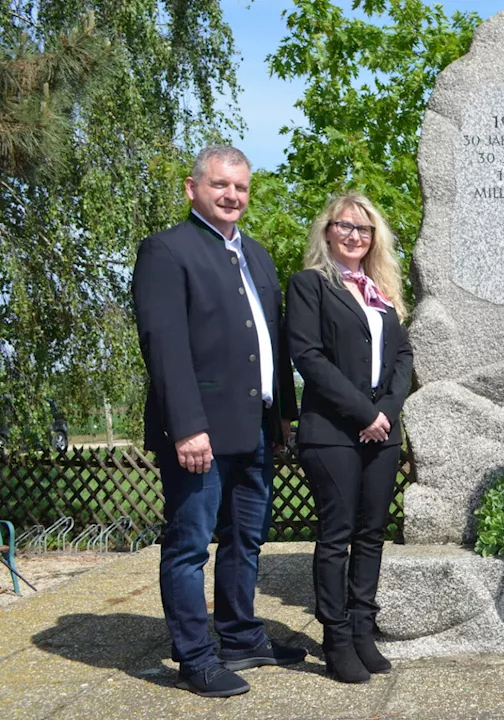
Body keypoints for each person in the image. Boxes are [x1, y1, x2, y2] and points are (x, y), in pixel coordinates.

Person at [132, 145, 305, 698]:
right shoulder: (166, 251)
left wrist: (284, 419)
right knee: (189, 546)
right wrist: (186, 426)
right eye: (220, 185)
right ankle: (195, 657)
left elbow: (270, 341)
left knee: (245, 539)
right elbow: (165, 346)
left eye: (242, 188)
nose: (233, 196)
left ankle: (240, 637)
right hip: (199, 430)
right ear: (193, 189)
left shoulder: (256, 254)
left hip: (255, 427)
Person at [286, 193, 413, 684]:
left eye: (364, 229)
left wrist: (384, 412)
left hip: (382, 431)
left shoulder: (382, 291)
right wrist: (363, 412)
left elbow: (403, 357)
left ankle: (363, 629)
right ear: (327, 231)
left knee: (372, 534)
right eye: (345, 226)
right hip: (332, 431)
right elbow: (309, 357)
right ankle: (335, 637)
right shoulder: (309, 286)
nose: (355, 236)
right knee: (336, 537)